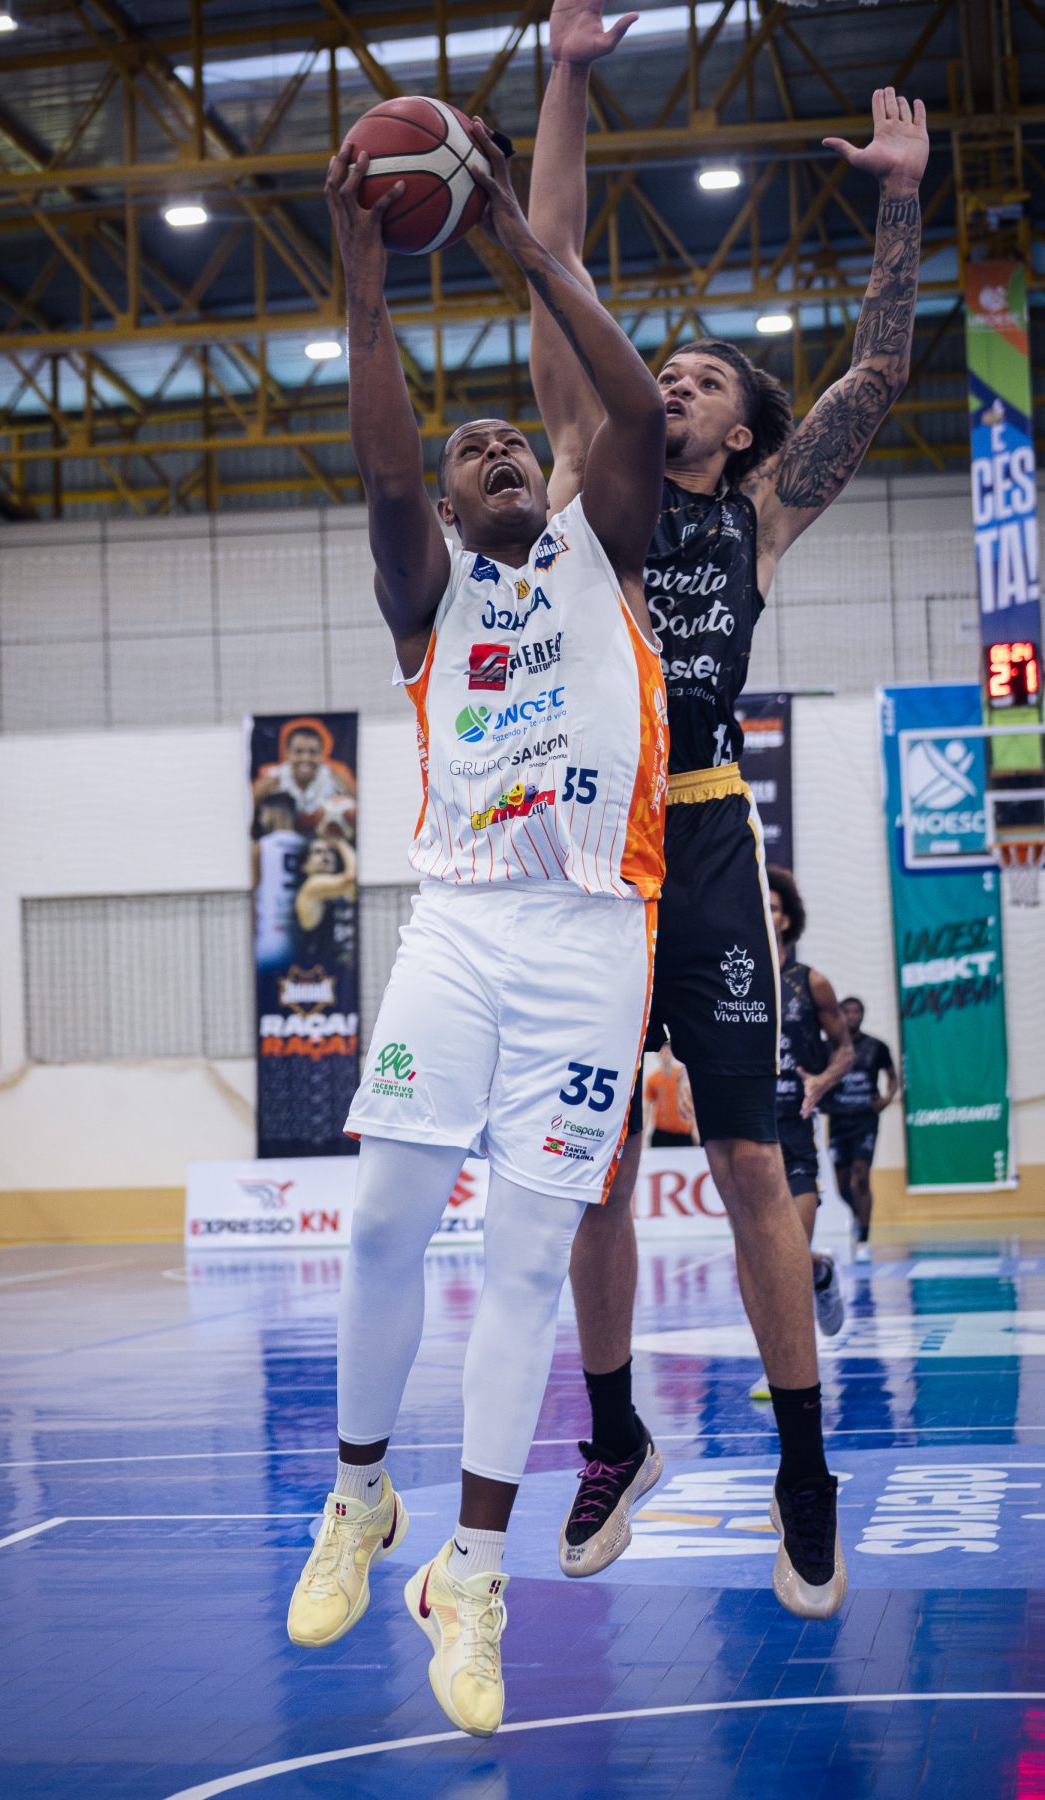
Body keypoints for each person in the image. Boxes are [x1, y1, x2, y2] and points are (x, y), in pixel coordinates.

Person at [529, 0, 927, 1616]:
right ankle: (617, 1435)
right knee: (594, 1167)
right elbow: (555, 256)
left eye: (697, 379)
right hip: (578, 848)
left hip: (697, 837)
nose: (670, 385)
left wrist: (900, 199)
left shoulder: (757, 514)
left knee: (755, 1166)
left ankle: (803, 1467)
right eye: (664, 373)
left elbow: (881, 369)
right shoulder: (585, 467)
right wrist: (565, 75)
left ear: (742, 426)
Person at [287, 122, 668, 1738]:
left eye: (513, 439)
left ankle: (477, 1572)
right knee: (385, 1223)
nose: (496, 448)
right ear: (447, 509)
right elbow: (384, 467)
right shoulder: (426, 597)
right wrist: (366, 276)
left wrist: (527, 245)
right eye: (471, 451)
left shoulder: (604, 550)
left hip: (592, 940)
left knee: (523, 1268)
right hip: (459, 927)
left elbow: (633, 415)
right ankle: (358, 1496)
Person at [769, 865, 853, 1338]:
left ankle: (785, 1367)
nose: (765, 914)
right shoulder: (730, 980)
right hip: (748, 1135)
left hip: (796, 1133)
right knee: (767, 1259)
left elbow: (845, 1049)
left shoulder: (811, 982)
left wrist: (822, 1080)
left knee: (786, 1258)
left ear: (787, 919)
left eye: (774, 908)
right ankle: (820, 1271)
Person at [824, 997, 900, 1261]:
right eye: (847, 1011)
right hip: (838, 1119)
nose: (852, 1015)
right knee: (842, 1184)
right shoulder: (828, 1047)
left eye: (857, 1011)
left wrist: (887, 1098)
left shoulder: (876, 1046)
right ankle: (858, 1214)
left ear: (863, 1015)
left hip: (865, 1119)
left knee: (862, 1174)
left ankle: (865, 1237)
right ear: (839, 1014)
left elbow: (893, 1076)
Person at [253, 717, 357, 834]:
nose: (306, 758)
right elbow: (248, 817)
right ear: (287, 753)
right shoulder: (270, 782)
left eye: (313, 752)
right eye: (299, 752)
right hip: (282, 840)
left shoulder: (337, 779)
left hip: (324, 839)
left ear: (322, 754)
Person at [252, 791, 305, 972]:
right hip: (300, 938)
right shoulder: (307, 845)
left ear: (276, 813)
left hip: (269, 938)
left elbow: (251, 892)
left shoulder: (261, 847)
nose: (260, 821)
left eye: (262, 814)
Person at [295, 834, 357, 969]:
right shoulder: (311, 886)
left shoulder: (340, 889)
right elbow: (351, 877)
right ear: (304, 866)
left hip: (343, 970)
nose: (325, 856)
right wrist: (340, 842)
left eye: (330, 851)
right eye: (318, 852)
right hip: (319, 973)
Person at [641, 1041, 697, 1148]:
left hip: (684, 1134)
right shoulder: (652, 1079)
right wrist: (642, 1136)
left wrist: (695, 1130)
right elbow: (646, 1109)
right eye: (662, 1049)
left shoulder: (683, 1076)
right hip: (661, 1134)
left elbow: (692, 1103)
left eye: (668, 1049)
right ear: (657, 1054)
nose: (665, 1052)